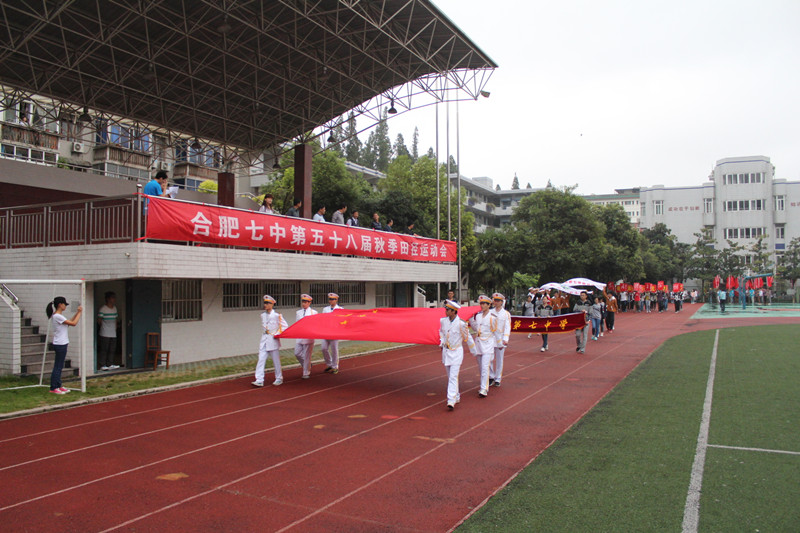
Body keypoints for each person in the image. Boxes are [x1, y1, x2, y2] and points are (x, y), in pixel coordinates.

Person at [439, 300, 476, 410]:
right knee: (450, 375)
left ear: (454, 311)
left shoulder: (461, 323)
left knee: (453, 376)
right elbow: (441, 331)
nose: (446, 312)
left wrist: (474, 350)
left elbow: (468, 337)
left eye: (448, 310)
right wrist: (441, 340)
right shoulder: (443, 321)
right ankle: (457, 395)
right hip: (446, 352)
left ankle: (451, 400)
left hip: (456, 352)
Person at [46, 297, 83, 394]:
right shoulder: (57, 316)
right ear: (60, 305)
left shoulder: (59, 316)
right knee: (58, 366)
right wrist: (79, 312)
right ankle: (54, 387)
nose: (65, 306)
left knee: (59, 365)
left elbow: (69, 322)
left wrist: (76, 313)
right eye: (64, 304)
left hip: (62, 343)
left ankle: (58, 385)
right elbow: (74, 323)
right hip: (60, 344)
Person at [252, 295, 289, 387]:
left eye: (268, 303)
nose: (266, 305)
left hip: (273, 340)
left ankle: (279, 378)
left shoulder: (277, 316)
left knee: (276, 360)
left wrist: (277, 333)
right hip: (264, 339)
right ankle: (259, 379)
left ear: (272, 304)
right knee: (261, 359)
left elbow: (285, 326)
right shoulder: (262, 315)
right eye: (265, 303)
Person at [469, 295, 496, 398]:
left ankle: (484, 388)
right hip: (479, 343)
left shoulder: (493, 317)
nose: (482, 305)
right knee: (481, 367)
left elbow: (495, 331)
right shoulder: (478, 316)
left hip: (488, 343)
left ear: (489, 305)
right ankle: (483, 384)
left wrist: (499, 342)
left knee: (485, 366)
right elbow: (476, 328)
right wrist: (471, 319)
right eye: (481, 303)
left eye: (484, 303)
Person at [489, 293, 511, 387]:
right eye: (495, 300)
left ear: (502, 302)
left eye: (498, 301)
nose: (496, 302)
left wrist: (505, 339)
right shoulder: (490, 312)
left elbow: (507, 327)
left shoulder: (506, 314)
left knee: (499, 359)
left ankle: (498, 378)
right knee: (489, 358)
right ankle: (490, 376)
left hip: (500, 339)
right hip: (490, 338)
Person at [294, 294, 317, 378]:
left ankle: (306, 372)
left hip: (308, 337)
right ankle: (307, 365)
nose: (304, 304)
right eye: (303, 302)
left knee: (307, 355)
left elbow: (315, 325)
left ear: (309, 302)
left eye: (306, 302)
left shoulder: (313, 312)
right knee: (297, 353)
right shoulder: (298, 312)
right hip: (300, 336)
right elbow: (296, 324)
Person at [97, 291, 120, 371]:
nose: (114, 299)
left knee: (112, 349)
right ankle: (102, 364)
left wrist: (115, 328)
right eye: (112, 298)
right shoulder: (103, 309)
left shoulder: (114, 308)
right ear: (108, 299)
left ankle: (110, 363)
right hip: (105, 332)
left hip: (113, 332)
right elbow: (99, 320)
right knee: (104, 349)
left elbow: (116, 320)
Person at [321, 293, 343, 374]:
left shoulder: (340, 309)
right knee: (324, 348)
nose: (331, 301)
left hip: (334, 332)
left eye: (332, 299)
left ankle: (335, 366)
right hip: (326, 332)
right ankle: (329, 364)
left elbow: (342, 321)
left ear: (336, 300)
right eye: (330, 299)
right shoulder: (325, 309)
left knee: (334, 350)